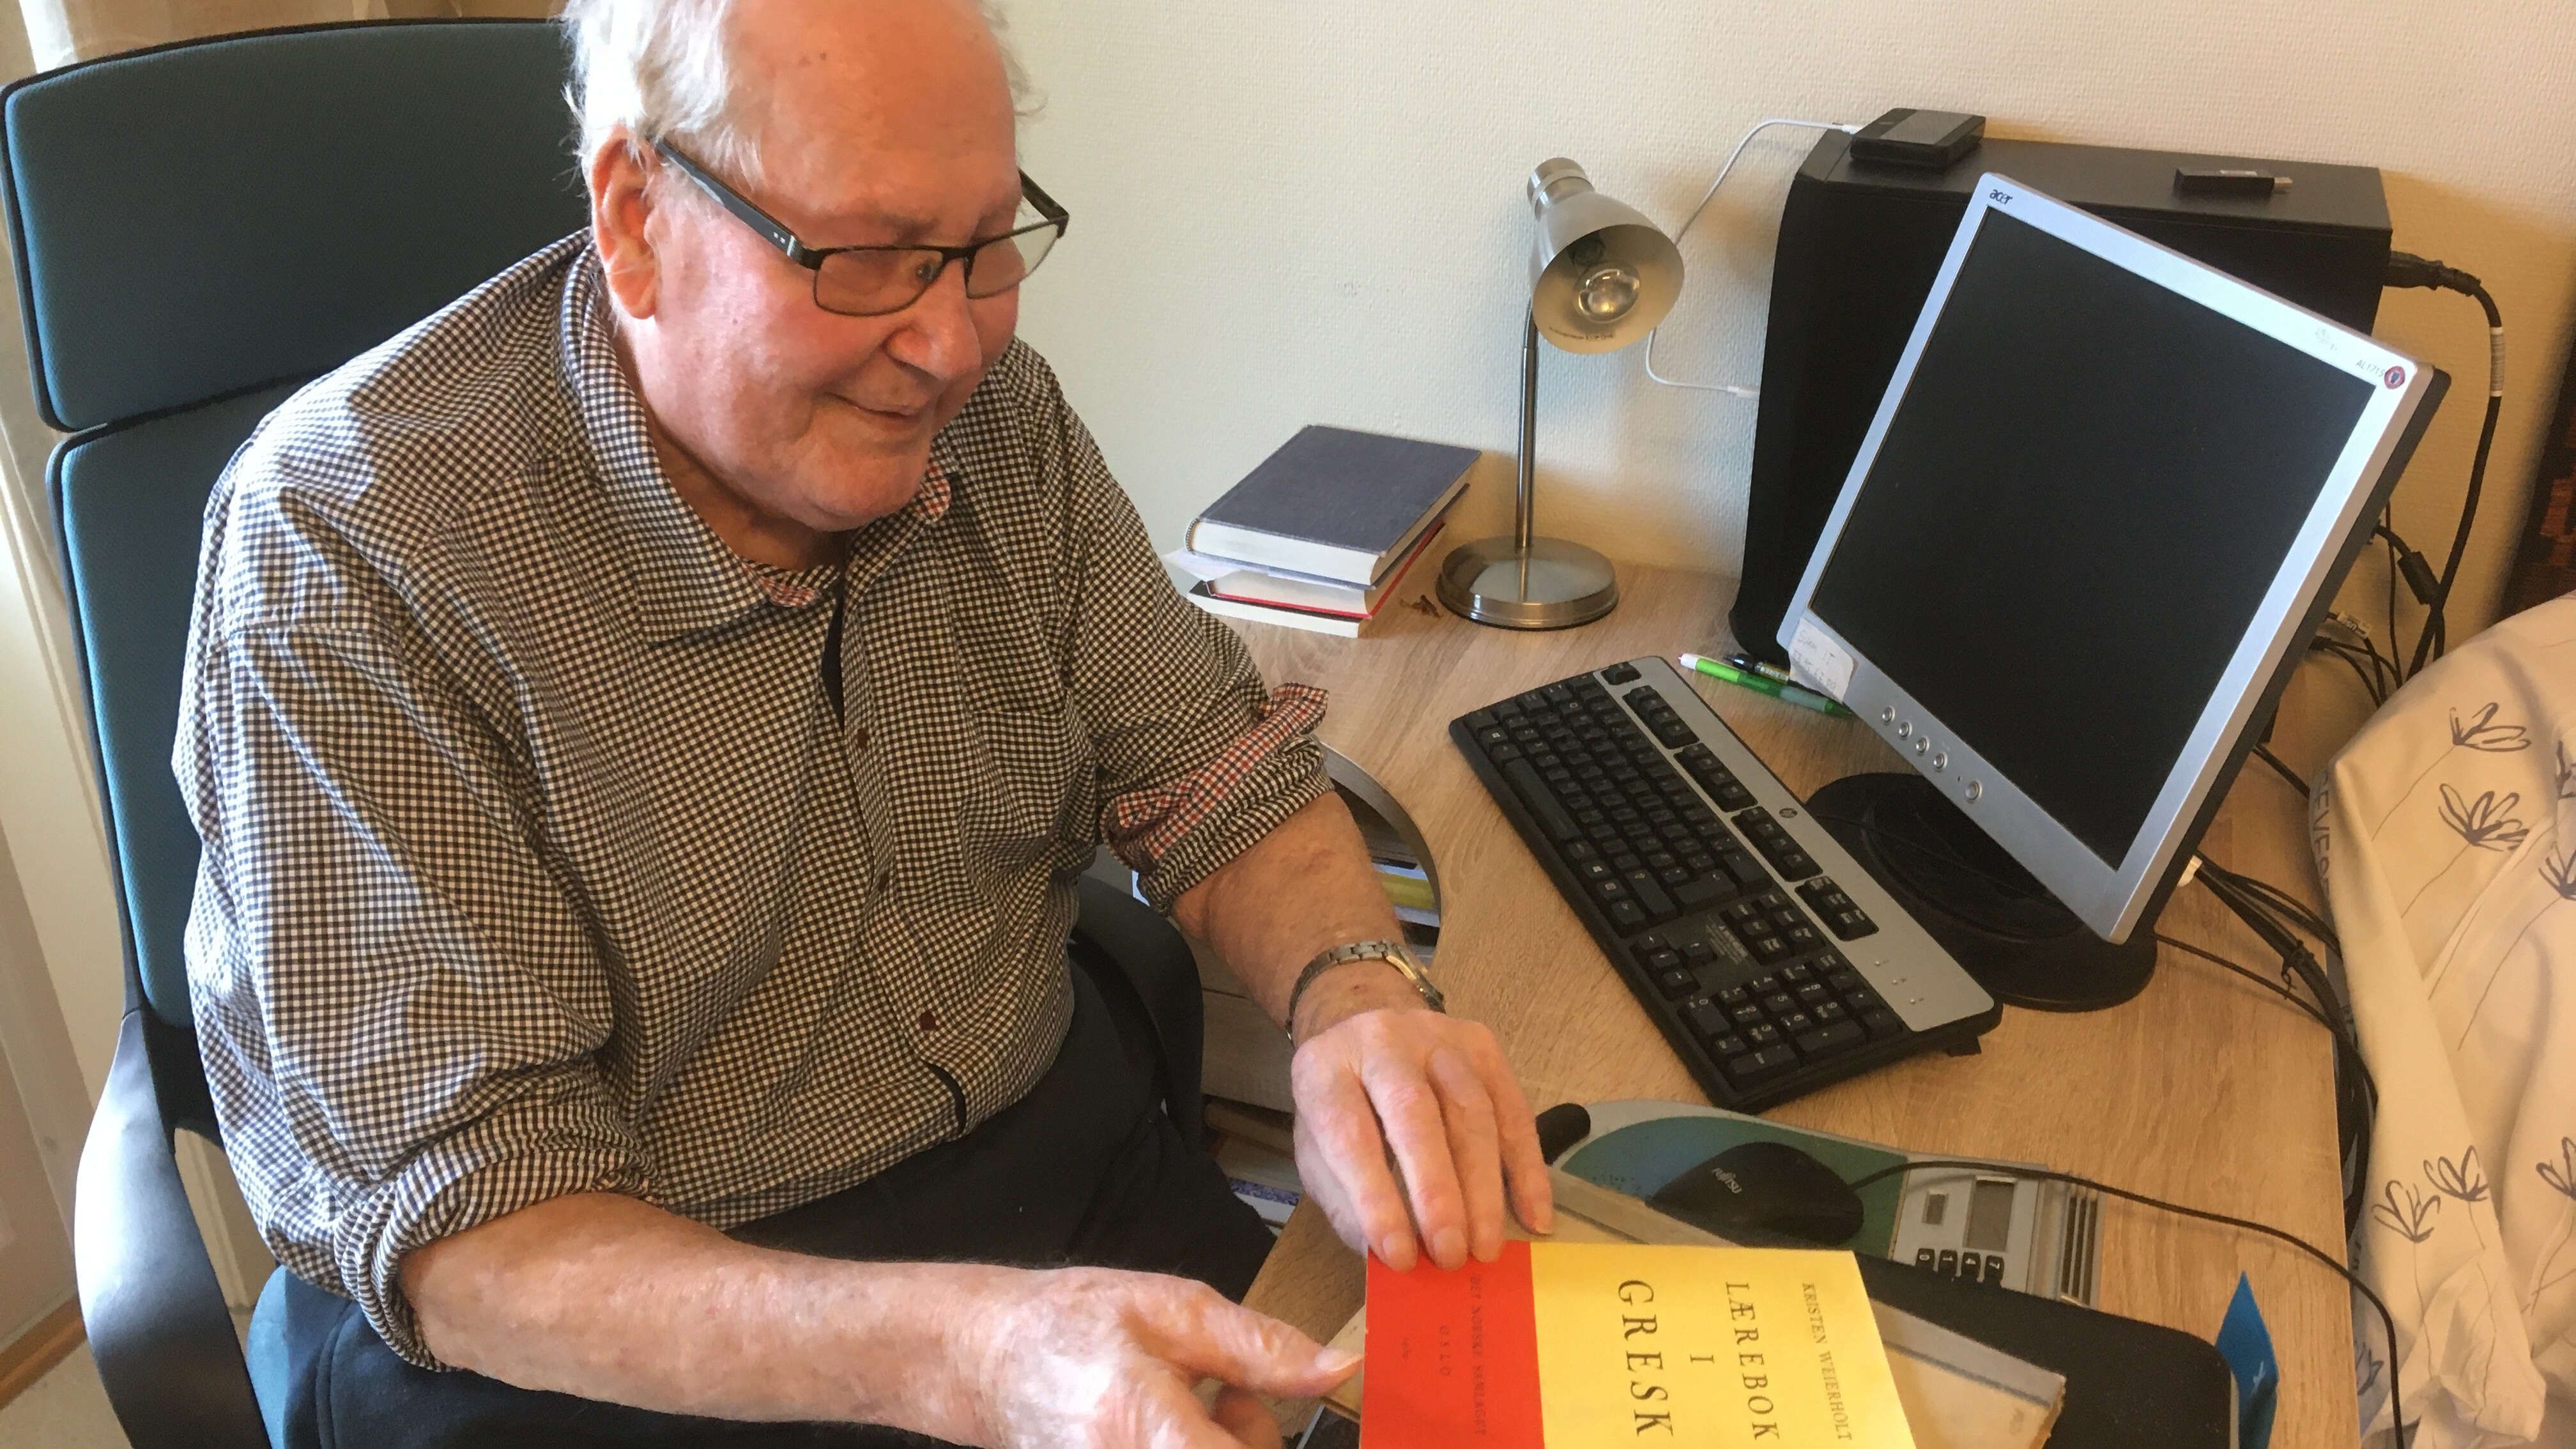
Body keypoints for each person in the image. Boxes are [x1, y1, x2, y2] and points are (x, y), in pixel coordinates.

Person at [178, 0, 1552, 1445]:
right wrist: (974, 1357)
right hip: (619, 1325)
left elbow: (1218, 776)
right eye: (868, 257)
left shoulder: (987, 416)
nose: (951, 345)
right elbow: (480, 1234)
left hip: (1053, 1176)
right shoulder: (348, 545)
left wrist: (1354, 1000)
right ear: (637, 218)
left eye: (983, 244)